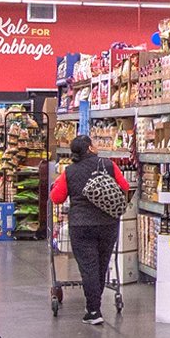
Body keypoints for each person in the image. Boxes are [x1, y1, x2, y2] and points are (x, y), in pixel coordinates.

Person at [50, 135, 130, 325]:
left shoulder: (70, 171)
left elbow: (57, 198)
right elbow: (125, 186)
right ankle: (94, 306)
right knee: (101, 265)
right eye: (94, 143)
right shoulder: (108, 165)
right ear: (90, 149)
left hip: (81, 226)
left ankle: (94, 310)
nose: (96, 145)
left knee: (89, 268)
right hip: (107, 223)